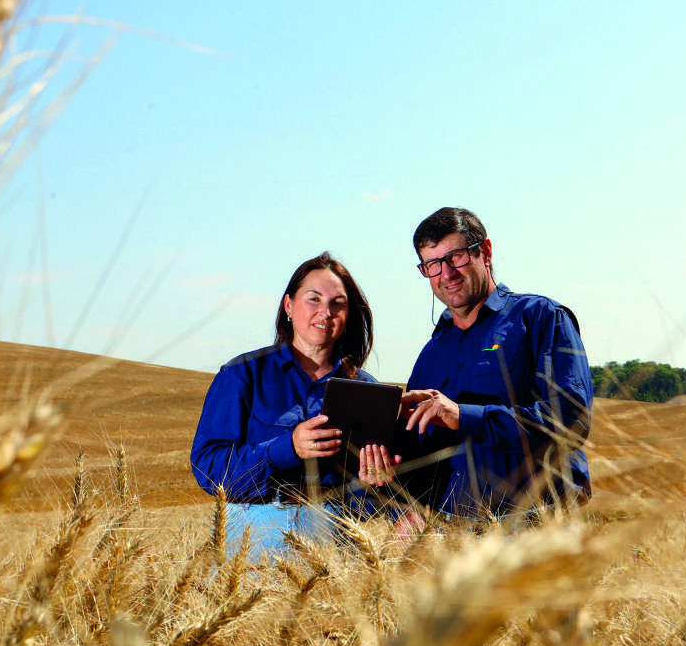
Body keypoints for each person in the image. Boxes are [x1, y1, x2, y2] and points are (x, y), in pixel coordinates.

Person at [360, 207, 591, 524]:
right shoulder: (431, 354)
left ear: (485, 251)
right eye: (432, 265)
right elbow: (423, 458)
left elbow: (572, 419)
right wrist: (386, 466)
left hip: (538, 526)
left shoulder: (539, 317)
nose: (446, 274)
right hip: (453, 537)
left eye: (456, 257)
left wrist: (462, 416)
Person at [190, 252, 380, 558]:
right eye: (313, 299)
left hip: (337, 538)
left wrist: (373, 484)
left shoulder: (366, 390)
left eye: (337, 303)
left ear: (348, 318)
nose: (325, 312)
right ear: (288, 306)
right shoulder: (242, 374)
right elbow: (209, 468)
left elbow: (372, 499)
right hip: (255, 535)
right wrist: (287, 448)